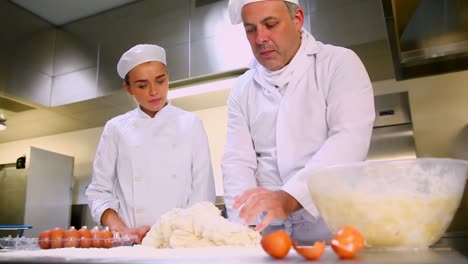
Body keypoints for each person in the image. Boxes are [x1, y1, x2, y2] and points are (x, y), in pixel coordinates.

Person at [222, 0, 375, 244]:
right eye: (250, 29)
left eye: (270, 24)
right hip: (268, 235)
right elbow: (237, 162)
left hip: (332, 229)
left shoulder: (338, 63)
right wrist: (242, 230)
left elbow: (348, 140)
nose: (260, 38)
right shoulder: (242, 88)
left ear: (297, 19)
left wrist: (291, 197)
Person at [86, 44, 216, 243]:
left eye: (160, 81)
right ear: (128, 88)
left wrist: (185, 235)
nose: (154, 91)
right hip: (133, 242)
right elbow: (98, 191)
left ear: (168, 77)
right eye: (142, 85)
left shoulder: (191, 123)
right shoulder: (116, 128)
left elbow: (203, 191)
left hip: (181, 243)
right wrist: (122, 230)